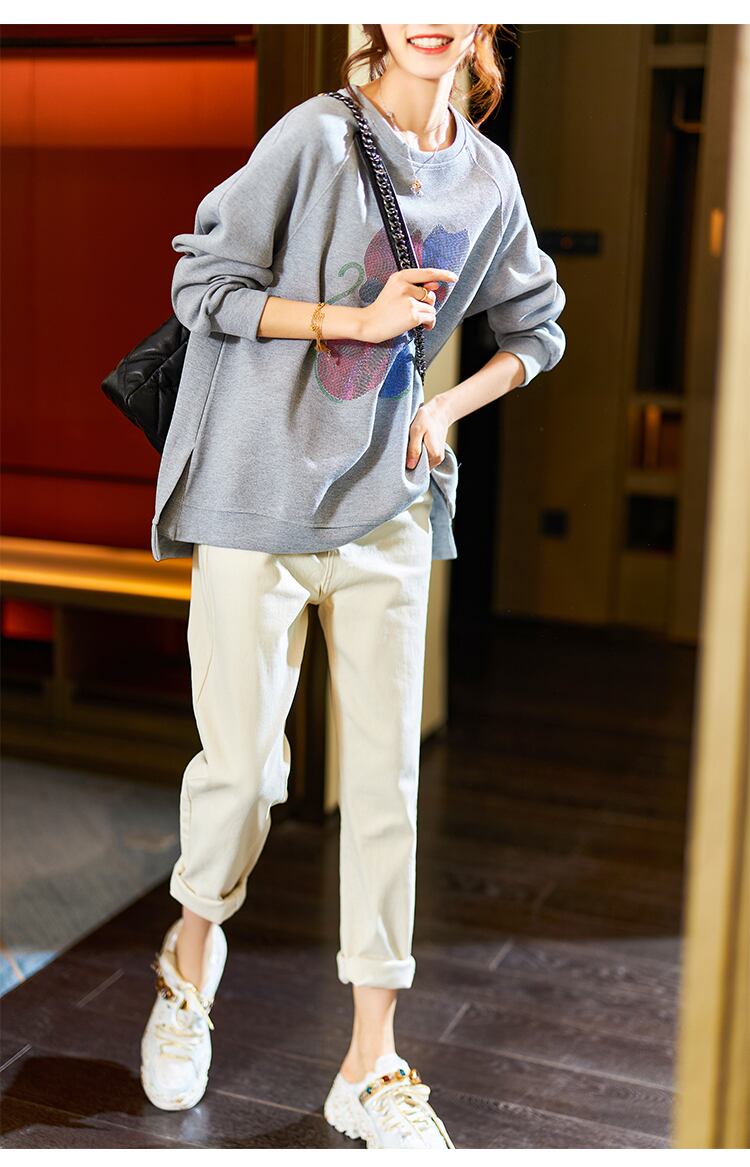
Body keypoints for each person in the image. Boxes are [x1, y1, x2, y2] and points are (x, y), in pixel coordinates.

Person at [140, 23, 566, 1150]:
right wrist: (357, 321)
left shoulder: (487, 179)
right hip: (253, 497)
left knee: (385, 785)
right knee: (244, 773)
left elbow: (538, 329)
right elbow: (202, 283)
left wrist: (444, 406)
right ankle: (189, 963)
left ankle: (370, 1063)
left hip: (389, 508)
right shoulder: (316, 137)